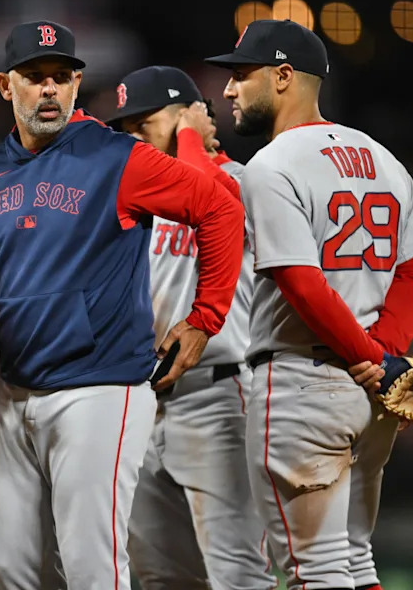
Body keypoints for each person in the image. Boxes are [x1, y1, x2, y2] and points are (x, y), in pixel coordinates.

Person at [0, 20, 245, 590]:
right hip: (16, 395)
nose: (49, 88)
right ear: (6, 85)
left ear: (78, 85)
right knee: (14, 569)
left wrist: (206, 317)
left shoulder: (115, 156)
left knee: (91, 569)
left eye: (62, 76)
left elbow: (220, 210)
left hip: (101, 390)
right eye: (35, 77)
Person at [205, 19, 413, 590]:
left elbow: (302, 283)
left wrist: (371, 357)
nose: (229, 90)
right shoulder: (382, 158)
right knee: (357, 560)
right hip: (370, 393)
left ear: (284, 76)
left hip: (301, 387)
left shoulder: (271, 165)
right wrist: (382, 357)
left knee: (316, 571)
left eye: (242, 75)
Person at [110, 65, 276, 590]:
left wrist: (188, 138)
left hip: (216, 397)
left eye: (145, 124)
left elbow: (207, 197)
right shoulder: (133, 198)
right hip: (137, 406)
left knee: (237, 576)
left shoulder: (243, 182)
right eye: (125, 128)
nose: (132, 138)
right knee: (161, 579)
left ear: (188, 117)